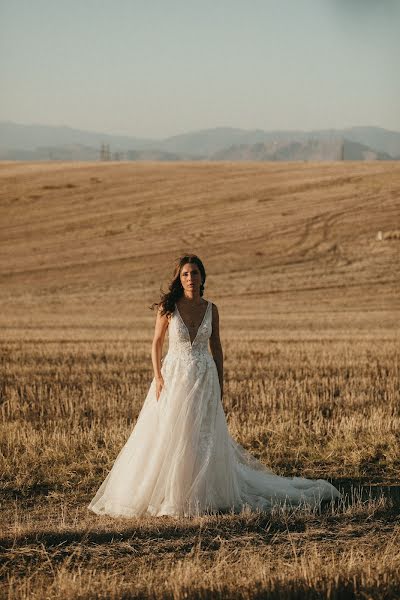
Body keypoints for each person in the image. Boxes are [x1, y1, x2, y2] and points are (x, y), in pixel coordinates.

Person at [88, 254, 341, 518]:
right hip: (174, 377)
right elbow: (156, 343)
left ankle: (201, 491)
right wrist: (158, 377)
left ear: (202, 277)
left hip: (204, 378)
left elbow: (216, 347)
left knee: (202, 435)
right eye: (185, 274)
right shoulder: (168, 307)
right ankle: (171, 493)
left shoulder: (211, 308)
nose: (190, 278)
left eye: (194, 273)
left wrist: (220, 382)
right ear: (179, 278)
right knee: (173, 432)